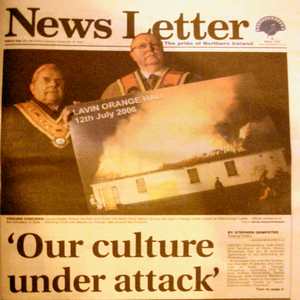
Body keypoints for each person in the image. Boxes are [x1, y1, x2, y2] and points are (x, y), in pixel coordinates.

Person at [1, 64, 89, 215]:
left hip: (77, 205)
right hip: (29, 209)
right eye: (46, 80)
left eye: (58, 81)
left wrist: (89, 117)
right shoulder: (9, 116)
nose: (53, 84)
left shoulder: (80, 112)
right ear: (32, 87)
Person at [101, 32, 200, 99]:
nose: (149, 49)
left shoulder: (190, 81)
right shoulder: (115, 89)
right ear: (132, 55)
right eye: (142, 46)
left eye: (155, 45)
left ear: (162, 50)